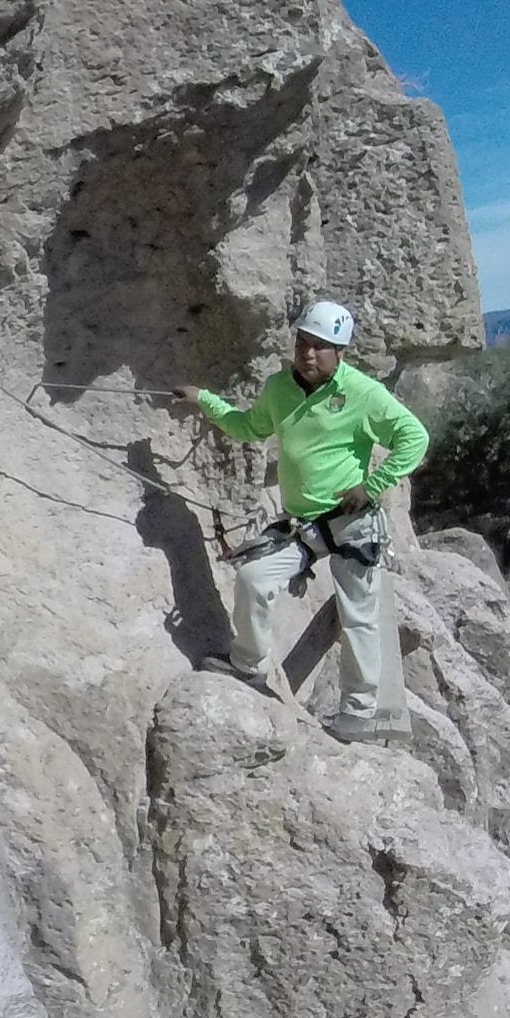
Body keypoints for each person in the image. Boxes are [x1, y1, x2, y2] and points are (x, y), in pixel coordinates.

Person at [175, 299, 429, 743]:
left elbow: (415, 438)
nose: (308, 354)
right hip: (303, 525)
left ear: (340, 352)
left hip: (352, 523)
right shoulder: (279, 389)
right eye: (303, 343)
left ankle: (360, 714)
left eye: (320, 347)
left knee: (359, 616)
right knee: (253, 579)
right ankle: (248, 665)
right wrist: (204, 401)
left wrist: (372, 486)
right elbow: (249, 426)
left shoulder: (363, 394)